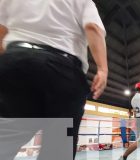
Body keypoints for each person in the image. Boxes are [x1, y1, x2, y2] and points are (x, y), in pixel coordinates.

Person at [0, 0, 107, 159]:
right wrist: (102, 69)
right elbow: (93, 28)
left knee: (4, 139)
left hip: (14, 63)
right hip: (62, 72)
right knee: (58, 149)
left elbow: (1, 31)